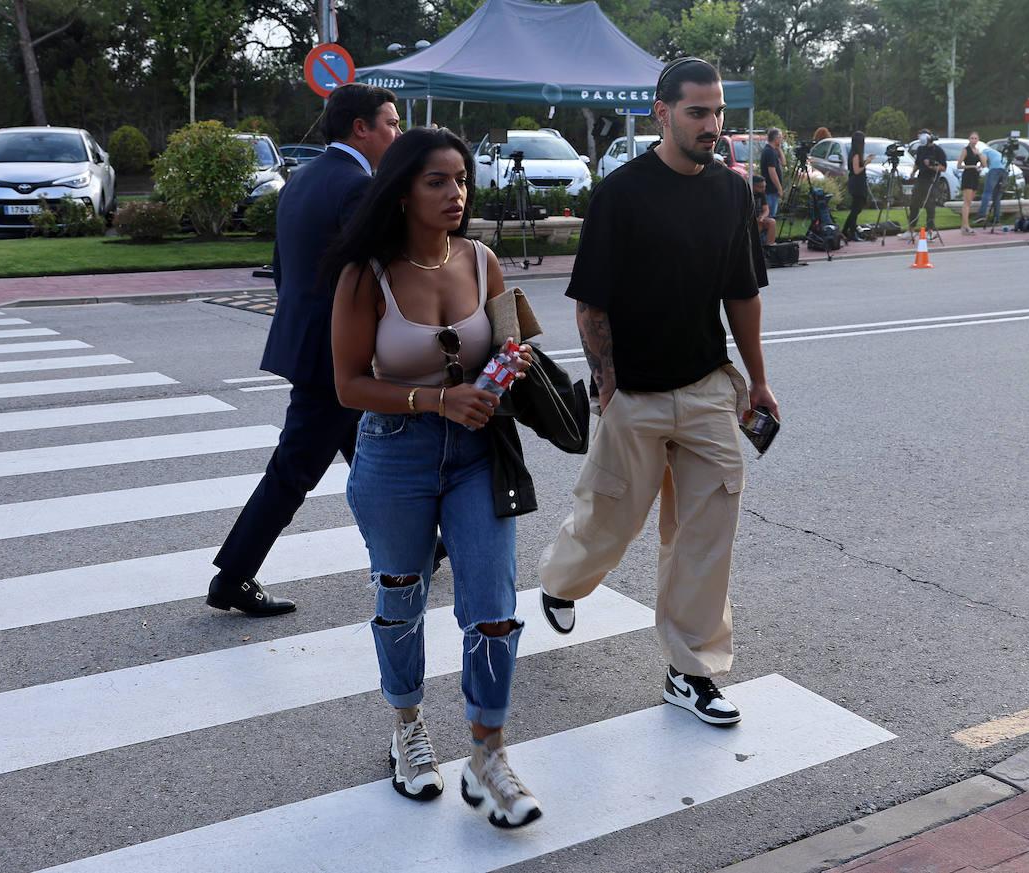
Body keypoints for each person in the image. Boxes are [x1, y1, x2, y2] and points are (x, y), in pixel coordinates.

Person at [536, 57, 780, 727]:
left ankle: (691, 669)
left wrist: (757, 381)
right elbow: (591, 305)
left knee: (706, 532)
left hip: (705, 387)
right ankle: (561, 580)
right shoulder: (622, 193)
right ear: (661, 113)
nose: (712, 124)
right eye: (698, 112)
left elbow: (741, 293)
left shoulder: (731, 191)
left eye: (718, 111)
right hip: (634, 392)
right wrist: (607, 387)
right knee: (612, 515)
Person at [328, 127, 542, 828]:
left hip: (479, 451)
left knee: (493, 605)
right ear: (402, 192)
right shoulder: (367, 275)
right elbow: (348, 385)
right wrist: (435, 397)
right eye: (437, 182)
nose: (457, 194)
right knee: (400, 591)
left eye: (462, 179)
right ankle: (408, 726)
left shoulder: (483, 261)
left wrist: (509, 370)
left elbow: (517, 343)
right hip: (395, 451)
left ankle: (487, 751)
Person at [207, 83, 401, 617]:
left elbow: (283, 269)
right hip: (336, 361)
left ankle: (419, 546)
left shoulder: (303, 178)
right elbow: (381, 274)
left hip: (309, 346)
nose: (397, 133)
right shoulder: (357, 187)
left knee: (373, 459)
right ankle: (233, 576)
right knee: (294, 471)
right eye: (390, 122)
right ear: (360, 127)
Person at [907, 128, 946, 237]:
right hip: (920, 179)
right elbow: (917, 163)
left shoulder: (938, 150)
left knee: (930, 206)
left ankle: (930, 231)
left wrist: (931, 166)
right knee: (914, 204)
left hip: (932, 181)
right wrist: (913, 172)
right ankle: (911, 230)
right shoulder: (920, 149)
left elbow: (943, 168)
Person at [841, 128, 875, 242]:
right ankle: (851, 232)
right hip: (857, 183)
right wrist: (866, 162)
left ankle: (846, 231)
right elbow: (857, 170)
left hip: (857, 182)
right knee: (856, 209)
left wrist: (865, 160)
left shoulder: (856, 153)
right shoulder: (855, 154)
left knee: (856, 208)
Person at [959, 131, 986, 235]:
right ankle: (966, 225)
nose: (973, 140)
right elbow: (959, 165)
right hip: (968, 175)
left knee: (969, 202)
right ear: (969, 139)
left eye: (975, 138)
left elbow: (984, 164)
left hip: (975, 176)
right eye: (972, 138)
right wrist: (971, 166)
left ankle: (963, 226)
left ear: (978, 140)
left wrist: (979, 155)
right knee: (967, 201)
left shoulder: (977, 150)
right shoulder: (965, 150)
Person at [976, 140, 1007, 226]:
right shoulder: (995, 153)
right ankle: (996, 219)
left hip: (995, 170)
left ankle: (981, 215)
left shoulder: (984, 151)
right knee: (997, 196)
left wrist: (984, 167)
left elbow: (984, 160)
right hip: (1004, 171)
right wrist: (981, 166)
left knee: (987, 192)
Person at [759, 126, 785, 222]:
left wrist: (779, 149)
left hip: (772, 190)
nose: (782, 140)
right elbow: (772, 172)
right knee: (770, 218)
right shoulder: (769, 152)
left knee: (771, 216)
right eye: (781, 137)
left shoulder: (773, 151)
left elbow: (783, 162)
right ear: (776, 138)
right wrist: (779, 188)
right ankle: (766, 236)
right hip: (770, 190)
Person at [752, 174, 777, 245]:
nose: (764, 189)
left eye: (764, 186)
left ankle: (770, 246)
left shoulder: (761, 194)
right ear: (754, 186)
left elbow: (766, 209)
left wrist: (762, 217)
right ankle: (753, 246)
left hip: (759, 218)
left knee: (772, 222)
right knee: (759, 225)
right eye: (761, 187)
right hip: (749, 219)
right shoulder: (747, 193)